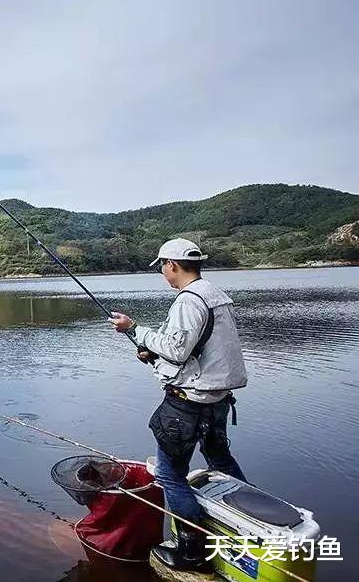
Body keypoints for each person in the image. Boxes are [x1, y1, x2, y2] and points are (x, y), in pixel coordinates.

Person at [108, 238, 248, 572]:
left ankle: (192, 553)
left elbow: (177, 350)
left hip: (189, 406)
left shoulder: (188, 300)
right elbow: (199, 350)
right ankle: (248, 520)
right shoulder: (214, 295)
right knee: (220, 460)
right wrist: (150, 351)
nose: (163, 274)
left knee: (171, 477)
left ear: (171, 265)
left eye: (162, 267)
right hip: (217, 401)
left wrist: (135, 330)